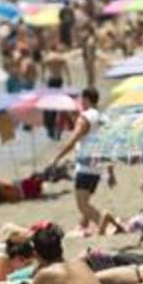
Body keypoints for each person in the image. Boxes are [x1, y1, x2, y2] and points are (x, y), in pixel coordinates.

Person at [45, 87, 105, 231]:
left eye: (81, 100)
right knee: (86, 200)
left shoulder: (85, 117)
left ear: (86, 99)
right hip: (98, 166)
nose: (80, 103)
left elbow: (73, 140)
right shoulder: (103, 117)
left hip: (85, 165)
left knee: (81, 205)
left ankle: (103, 221)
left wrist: (57, 158)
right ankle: (84, 224)